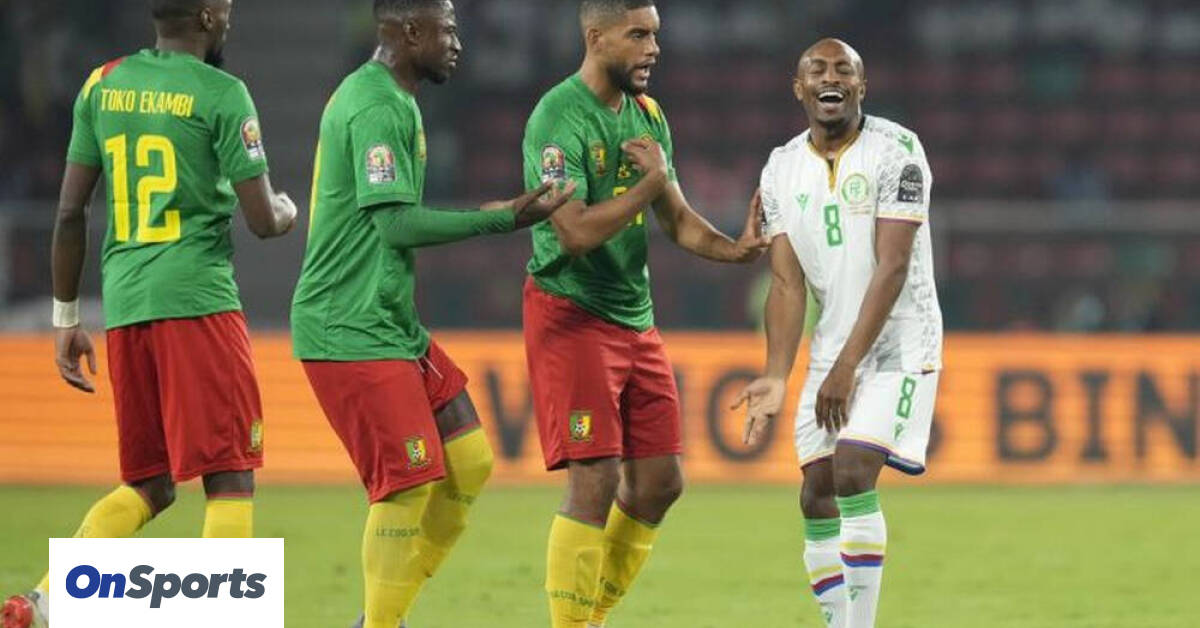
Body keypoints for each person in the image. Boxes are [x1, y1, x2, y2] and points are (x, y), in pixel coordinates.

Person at [1, 1, 297, 626]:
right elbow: (264, 220)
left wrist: (65, 318)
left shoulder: (102, 84)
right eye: (226, 6)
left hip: (127, 309)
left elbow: (69, 212)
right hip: (198, 304)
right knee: (230, 476)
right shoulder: (223, 93)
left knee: (150, 483)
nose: (231, 15)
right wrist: (289, 209)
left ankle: (43, 604)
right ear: (208, 18)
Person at [288, 2, 575, 627]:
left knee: (469, 462)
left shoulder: (398, 101)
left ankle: (380, 615)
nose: (457, 42)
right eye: (446, 30)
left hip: (389, 321)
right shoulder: (374, 105)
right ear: (410, 31)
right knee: (409, 483)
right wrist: (503, 217)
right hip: (348, 325)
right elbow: (395, 225)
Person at [521, 2, 768, 626]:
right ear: (596, 36)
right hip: (571, 312)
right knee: (594, 480)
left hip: (634, 317)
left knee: (660, 482)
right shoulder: (557, 117)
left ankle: (592, 615)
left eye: (655, 35)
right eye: (638, 35)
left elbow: (677, 220)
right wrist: (648, 185)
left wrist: (736, 249)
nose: (653, 48)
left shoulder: (648, 115)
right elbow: (575, 232)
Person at [734, 39, 944, 628]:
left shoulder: (899, 151)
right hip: (832, 348)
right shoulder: (781, 168)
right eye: (818, 70)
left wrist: (848, 368)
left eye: (844, 70)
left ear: (861, 86)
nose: (832, 78)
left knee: (852, 471)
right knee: (817, 494)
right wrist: (777, 375)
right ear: (798, 88)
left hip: (901, 344)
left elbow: (893, 266)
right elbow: (786, 284)